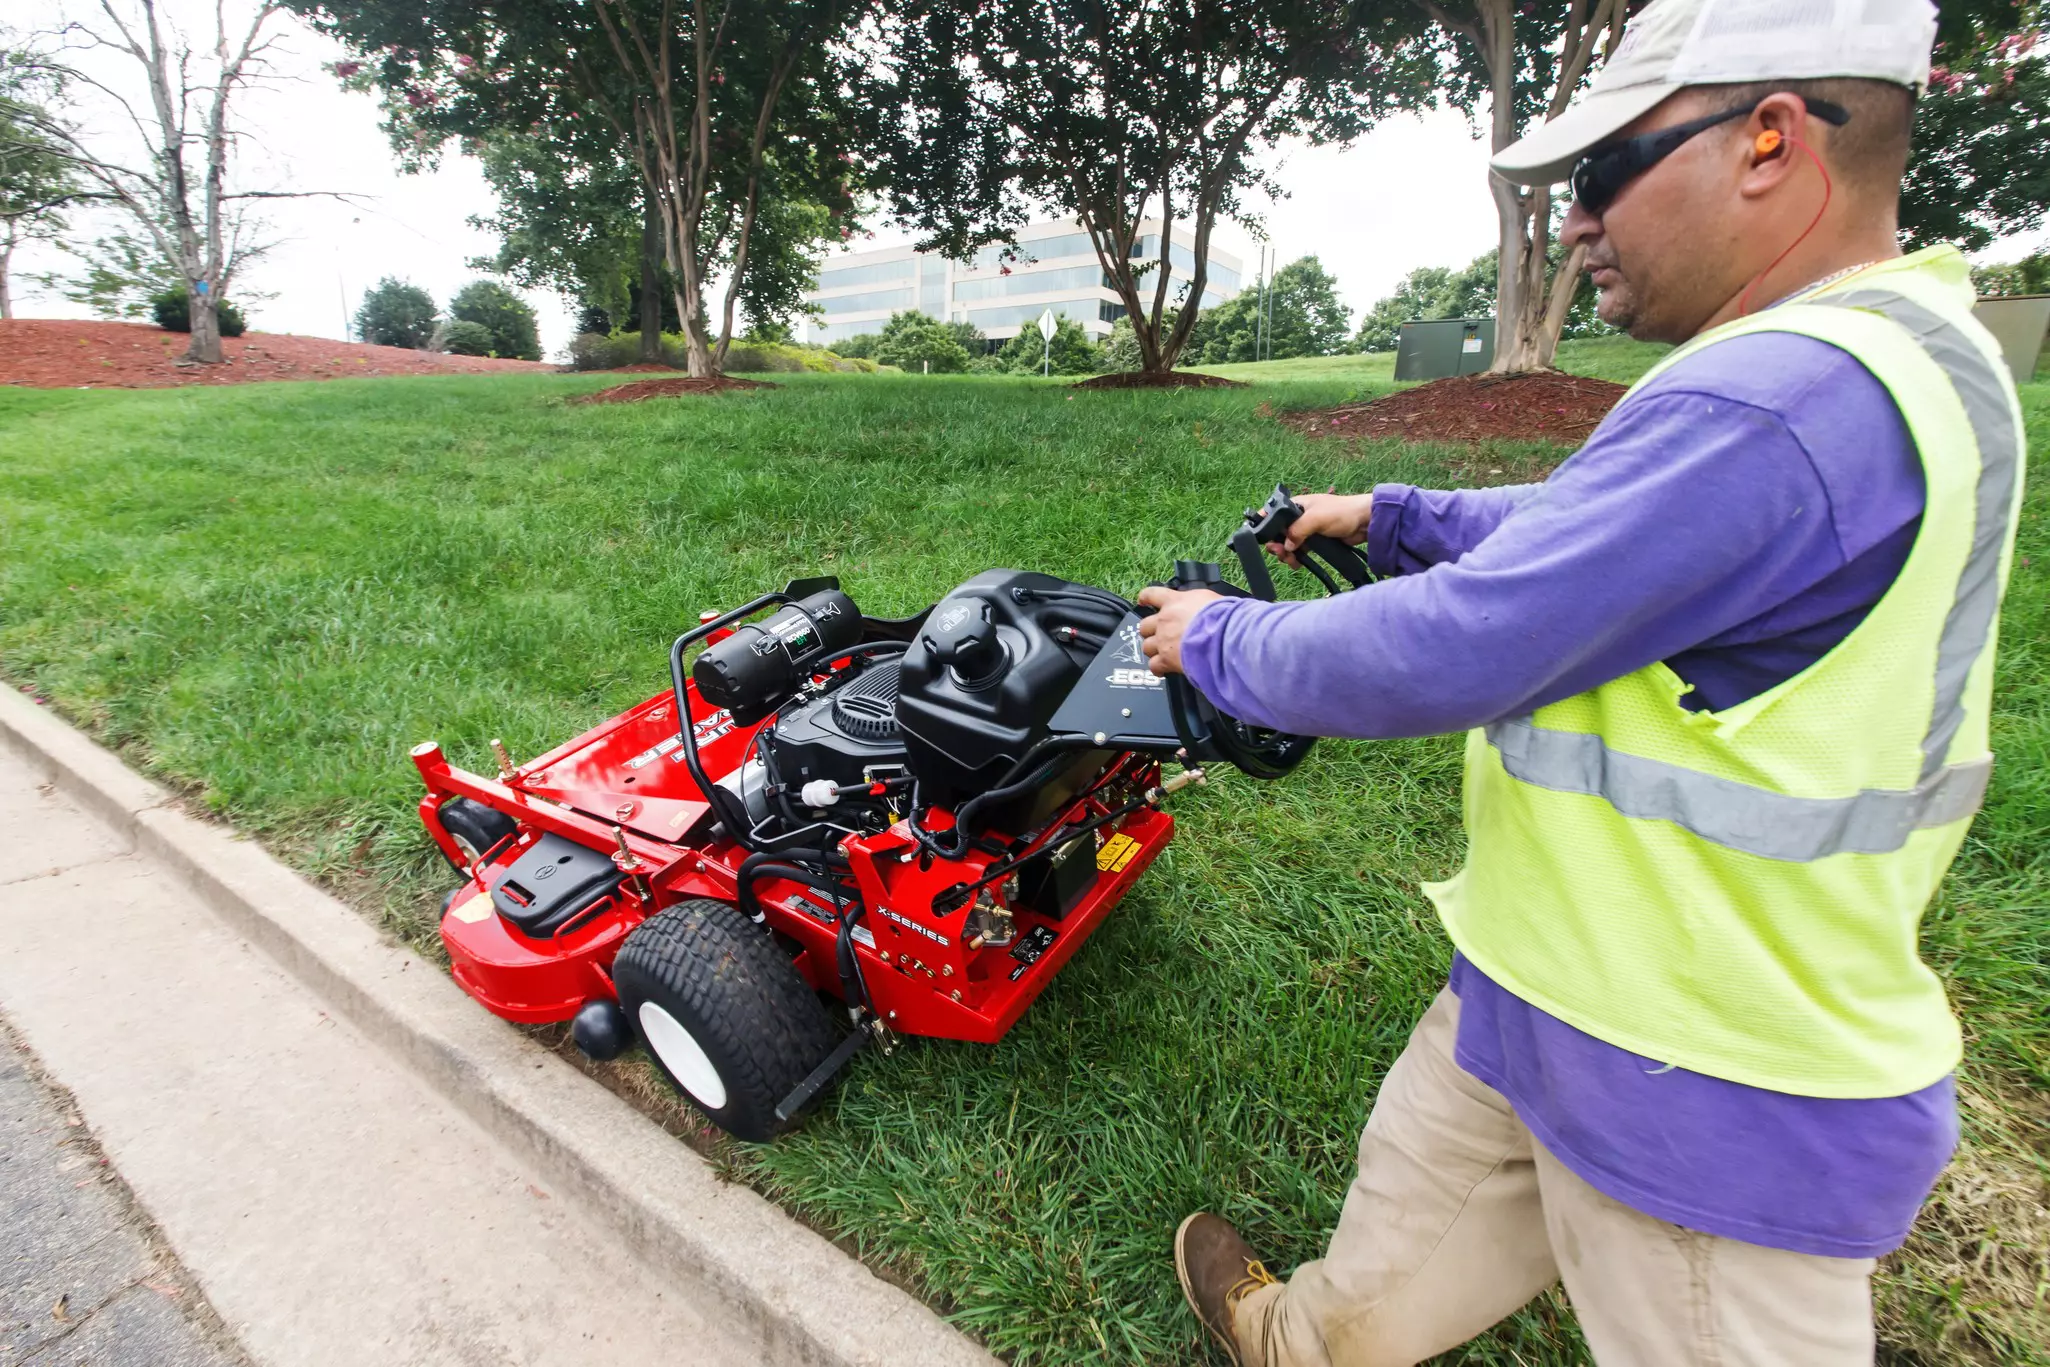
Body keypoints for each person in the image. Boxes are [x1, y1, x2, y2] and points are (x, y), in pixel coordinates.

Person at [1134, 0, 2026, 1362]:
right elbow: (1618, 543)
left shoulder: (1778, 400)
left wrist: (1213, 639)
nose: (1575, 222)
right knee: (1388, 1241)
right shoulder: (1877, 355)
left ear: (1768, 140)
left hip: (1701, 1057)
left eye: (1603, 176)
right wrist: (1397, 512)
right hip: (1558, 969)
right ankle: (1286, 1339)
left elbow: (1458, 643)